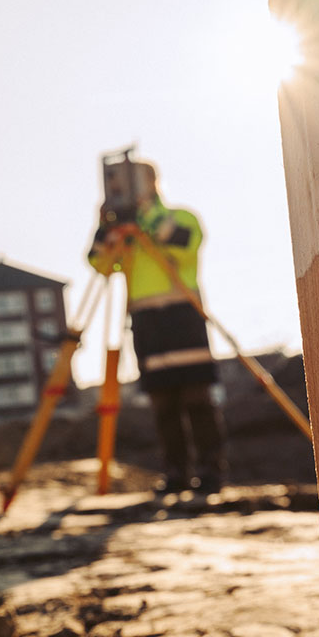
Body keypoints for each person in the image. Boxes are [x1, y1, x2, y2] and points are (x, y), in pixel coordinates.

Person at [87, 160, 227, 495]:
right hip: (147, 325)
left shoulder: (180, 217)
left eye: (132, 181)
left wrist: (142, 218)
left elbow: (184, 242)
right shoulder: (123, 232)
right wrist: (104, 226)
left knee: (197, 399)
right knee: (163, 404)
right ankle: (175, 474)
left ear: (152, 182)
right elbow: (99, 263)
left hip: (183, 317)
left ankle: (210, 473)